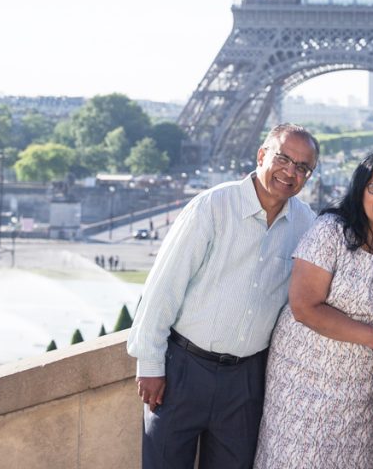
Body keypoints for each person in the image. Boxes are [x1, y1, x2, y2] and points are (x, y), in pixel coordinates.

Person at [127, 123, 319, 469]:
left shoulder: (306, 223)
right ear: (261, 155)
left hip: (246, 382)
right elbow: (164, 286)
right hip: (182, 369)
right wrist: (150, 364)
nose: (291, 172)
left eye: (303, 167)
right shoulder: (212, 206)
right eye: (283, 159)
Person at [253, 151, 373, 469]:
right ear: (359, 190)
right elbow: (304, 306)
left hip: (366, 391)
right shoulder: (331, 231)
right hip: (305, 381)